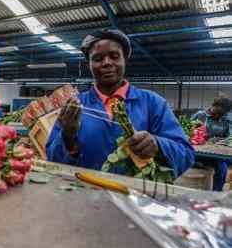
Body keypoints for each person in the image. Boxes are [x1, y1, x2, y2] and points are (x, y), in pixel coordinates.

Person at [46, 29, 194, 179]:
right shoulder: (74, 107)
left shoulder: (153, 103)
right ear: (89, 65)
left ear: (125, 60)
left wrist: (158, 145)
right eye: (97, 59)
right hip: (86, 195)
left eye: (114, 56)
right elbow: (52, 161)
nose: (107, 63)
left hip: (137, 198)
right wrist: (67, 136)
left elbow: (185, 154)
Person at [191, 95, 231, 190]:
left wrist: (223, 141)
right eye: (217, 113)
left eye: (221, 114)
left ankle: (215, 194)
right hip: (198, 153)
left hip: (215, 154)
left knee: (222, 168)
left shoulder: (224, 121)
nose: (218, 116)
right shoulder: (201, 115)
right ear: (214, 106)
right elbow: (189, 131)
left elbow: (227, 136)